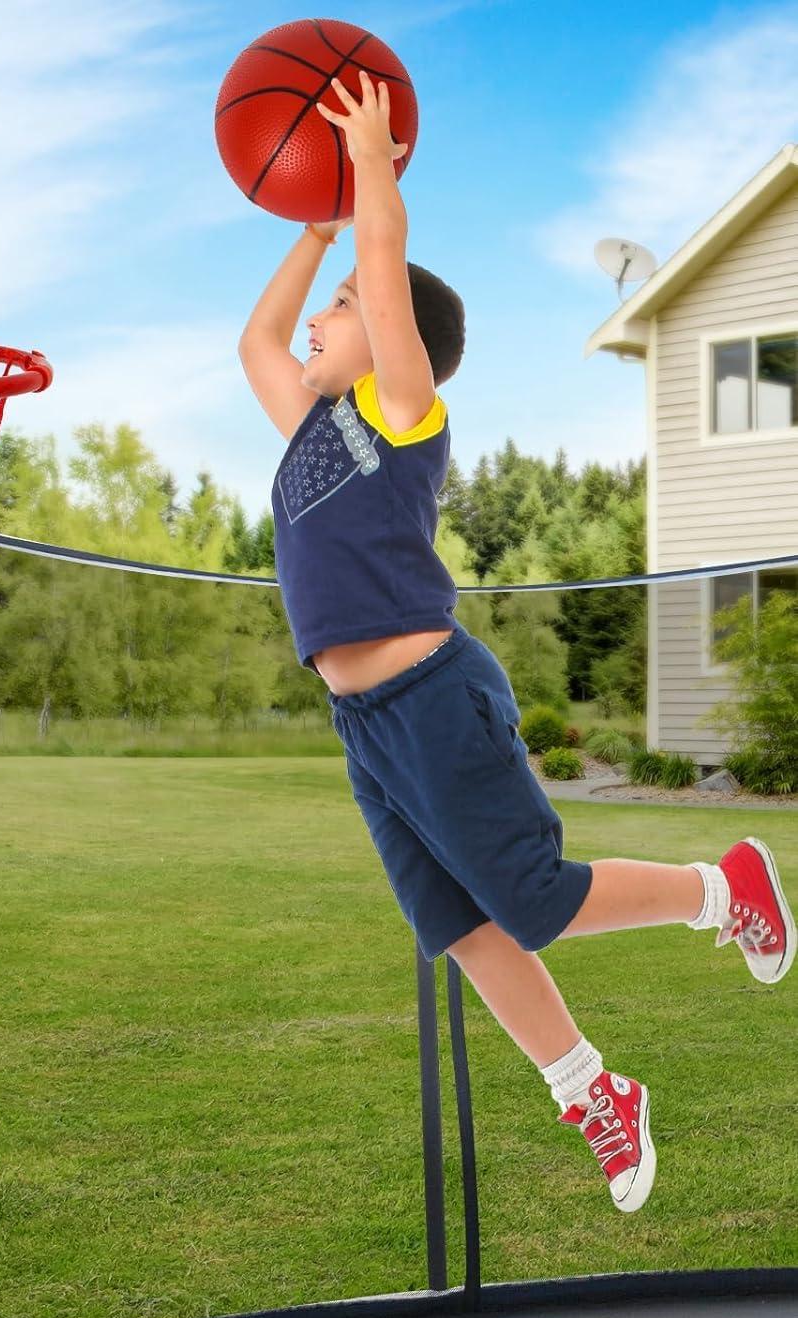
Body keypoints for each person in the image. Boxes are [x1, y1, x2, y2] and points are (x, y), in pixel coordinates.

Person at [237, 71, 792, 1213]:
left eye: (340, 303)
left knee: (530, 897)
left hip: (431, 693)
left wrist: (374, 178)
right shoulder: (307, 433)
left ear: (401, 348)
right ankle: (594, 1090)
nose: (321, 317)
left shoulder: (402, 414)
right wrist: (311, 233)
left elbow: (389, 282)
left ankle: (720, 884)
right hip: (366, 726)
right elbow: (255, 342)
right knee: (462, 926)